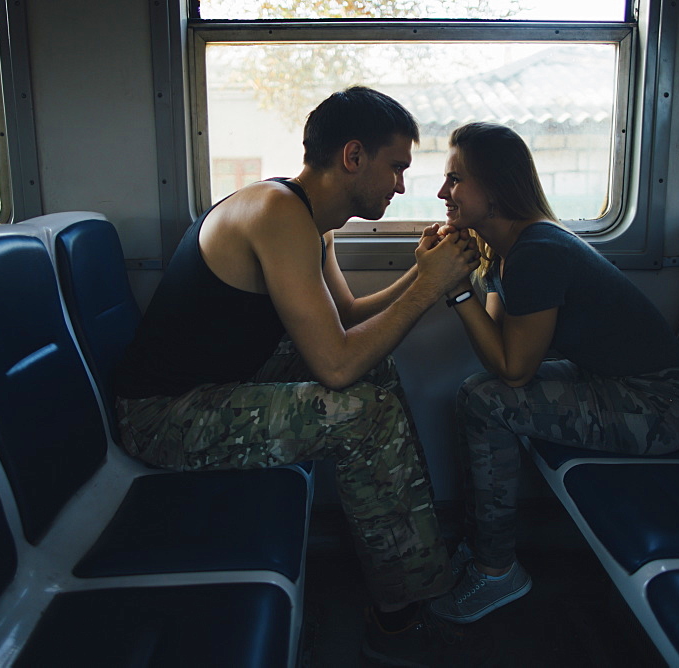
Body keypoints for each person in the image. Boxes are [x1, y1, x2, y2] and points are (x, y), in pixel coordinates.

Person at [113, 87, 485, 665]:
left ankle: (411, 562)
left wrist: (421, 275)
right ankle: (398, 621)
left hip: (221, 388)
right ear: (353, 156)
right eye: (396, 168)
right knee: (365, 413)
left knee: (378, 364)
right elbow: (337, 367)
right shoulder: (276, 213)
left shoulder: (311, 222)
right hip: (164, 417)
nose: (402, 187)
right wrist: (434, 287)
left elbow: (350, 322)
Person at [429, 122, 679, 624]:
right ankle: (481, 549)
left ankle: (497, 571)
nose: (443, 192)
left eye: (455, 180)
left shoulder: (537, 253)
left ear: (494, 187)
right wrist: (465, 277)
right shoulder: (510, 252)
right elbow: (497, 352)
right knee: (475, 392)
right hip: (620, 388)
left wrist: (455, 290)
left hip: (660, 406)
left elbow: (511, 373)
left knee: (487, 399)